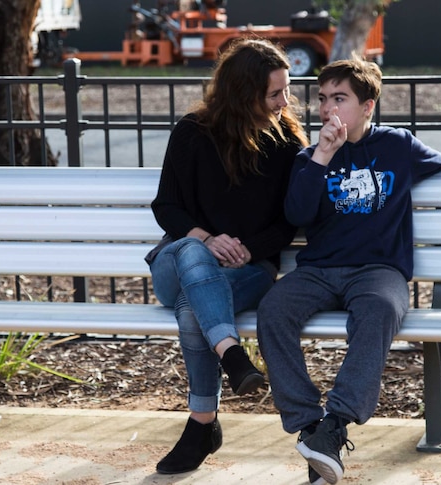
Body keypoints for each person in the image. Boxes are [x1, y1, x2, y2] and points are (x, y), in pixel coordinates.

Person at [256, 59, 441, 485]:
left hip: (378, 271)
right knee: (273, 310)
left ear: (368, 106)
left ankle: (336, 424)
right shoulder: (310, 157)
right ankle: (311, 427)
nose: (329, 109)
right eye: (323, 99)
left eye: (340, 100)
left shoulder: (398, 146)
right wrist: (323, 156)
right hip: (320, 271)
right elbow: (296, 213)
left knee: (380, 310)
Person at [146, 38, 309, 475]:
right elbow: (166, 206)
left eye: (286, 90)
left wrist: (248, 249)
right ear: (243, 93)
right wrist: (207, 239)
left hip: (249, 269)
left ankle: (202, 422)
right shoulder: (192, 133)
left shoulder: (286, 146)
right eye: (275, 93)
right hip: (176, 261)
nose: (285, 101)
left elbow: (288, 223)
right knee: (193, 253)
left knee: (191, 312)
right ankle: (233, 359)